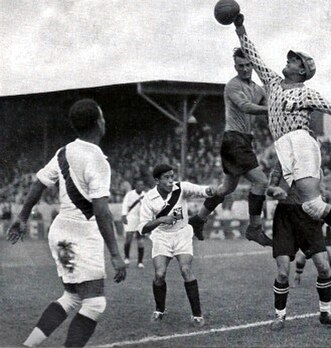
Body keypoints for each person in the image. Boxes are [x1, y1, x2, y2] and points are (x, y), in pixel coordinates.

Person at [232, 14, 331, 266]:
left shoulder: (307, 92)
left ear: (303, 70)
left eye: (294, 59)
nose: (288, 60)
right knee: (311, 207)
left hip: (300, 143)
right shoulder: (274, 83)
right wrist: (240, 27)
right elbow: (253, 57)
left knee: (312, 204)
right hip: (283, 147)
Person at [7, 98, 127, 347]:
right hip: (82, 233)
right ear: (98, 123)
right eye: (102, 117)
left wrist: (22, 217)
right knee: (94, 303)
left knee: (72, 297)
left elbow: (39, 182)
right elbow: (101, 211)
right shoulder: (97, 159)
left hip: (59, 233)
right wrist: (116, 254)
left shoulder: (64, 151)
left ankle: (27, 345)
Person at [189, 47, 271, 247]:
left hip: (242, 141)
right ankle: (254, 229)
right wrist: (270, 109)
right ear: (235, 66)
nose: (244, 69)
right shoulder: (232, 86)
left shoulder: (258, 89)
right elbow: (246, 107)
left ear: (252, 65)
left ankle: (198, 219)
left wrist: (276, 105)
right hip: (234, 140)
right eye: (240, 66)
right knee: (260, 182)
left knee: (227, 187)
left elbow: (269, 103)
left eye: (247, 65)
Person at [266, 161, 331, 331]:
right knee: (282, 273)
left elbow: (322, 192)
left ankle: (326, 314)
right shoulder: (282, 162)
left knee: (324, 268)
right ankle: (280, 316)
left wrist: (325, 205)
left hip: (309, 215)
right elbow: (269, 188)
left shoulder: (315, 166)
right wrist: (276, 191)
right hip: (285, 217)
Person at [138, 164, 217, 326]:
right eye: (166, 178)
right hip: (161, 236)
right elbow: (142, 228)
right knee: (159, 274)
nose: (170, 181)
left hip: (182, 234)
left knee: (186, 270)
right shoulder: (149, 198)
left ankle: (197, 315)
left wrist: (210, 190)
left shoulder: (181, 188)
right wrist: (160, 220)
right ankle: (160, 309)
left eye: (172, 176)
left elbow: (202, 190)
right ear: (157, 180)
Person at [121, 178, 146, 268]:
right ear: (135, 186)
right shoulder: (129, 194)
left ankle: (140, 262)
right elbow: (124, 205)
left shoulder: (145, 195)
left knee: (141, 241)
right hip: (131, 217)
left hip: (140, 219)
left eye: (142, 185)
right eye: (138, 185)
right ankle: (126, 258)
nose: (140, 186)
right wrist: (124, 215)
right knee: (129, 239)